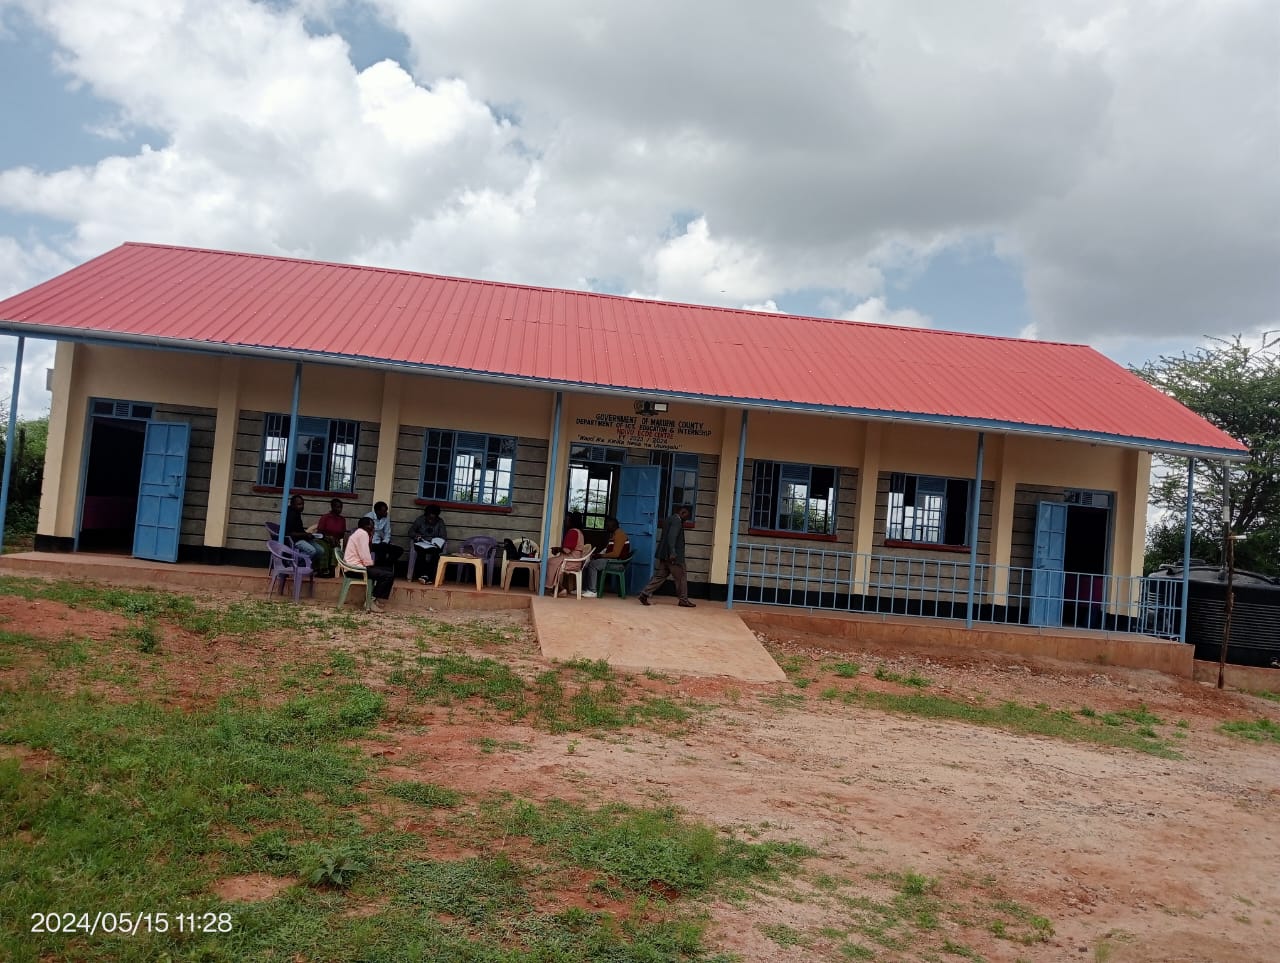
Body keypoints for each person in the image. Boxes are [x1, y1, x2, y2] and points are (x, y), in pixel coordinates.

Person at [638, 505, 695, 607]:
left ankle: (644, 593)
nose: (687, 518)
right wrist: (673, 552)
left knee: (660, 576)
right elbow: (672, 537)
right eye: (687, 515)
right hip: (674, 557)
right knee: (681, 577)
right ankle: (683, 600)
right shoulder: (677, 521)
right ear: (682, 512)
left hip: (664, 555)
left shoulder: (669, 519)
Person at [344, 516, 394, 612]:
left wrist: (370, 537)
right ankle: (371, 601)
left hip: (354, 567)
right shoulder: (363, 534)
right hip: (355, 569)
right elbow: (365, 555)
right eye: (371, 526)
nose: (373, 528)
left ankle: (374, 599)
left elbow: (367, 551)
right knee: (388, 575)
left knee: (387, 570)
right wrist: (371, 566)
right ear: (365, 526)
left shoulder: (360, 533)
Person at [580, 517, 629, 598]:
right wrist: (597, 555)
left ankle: (592, 591)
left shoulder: (620, 535)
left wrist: (600, 556)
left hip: (617, 563)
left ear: (613, 526)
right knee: (588, 563)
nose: (606, 527)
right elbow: (607, 551)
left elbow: (616, 554)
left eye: (607, 526)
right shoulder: (614, 534)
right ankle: (585, 589)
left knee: (593, 565)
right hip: (612, 561)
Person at [544, 526, 590, 597]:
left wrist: (557, 549)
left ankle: (558, 589)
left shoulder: (573, 532)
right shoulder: (579, 532)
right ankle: (556, 587)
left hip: (571, 561)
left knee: (550, 562)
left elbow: (567, 550)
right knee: (553, 561)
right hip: (576, 561)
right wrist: (558, 549)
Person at [409, 504, 448, 583]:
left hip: (433, 545)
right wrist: (416, 535)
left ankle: (427, 575)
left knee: (436, 554)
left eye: (433, 519)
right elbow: (410, 532)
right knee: (421, 553)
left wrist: (437, 541)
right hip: (421, 543)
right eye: (429, 518)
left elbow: (443, 536)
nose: (431, 521)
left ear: (437, 517)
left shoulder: (440, 522)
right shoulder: (420, 520)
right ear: (426, 515)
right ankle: (423, 575)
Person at [283, 494, 323, 566]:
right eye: (299, 504)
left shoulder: (297, 513)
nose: (302, 506)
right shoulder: (290, 515)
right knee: (312, 551)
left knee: (320, 550)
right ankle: (292, 562)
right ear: (292, 505)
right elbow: (291, 533)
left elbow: (299, 530)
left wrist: (308, 535)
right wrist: (306, 534)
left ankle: (302, 565)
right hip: (295, 540)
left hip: (302, 537)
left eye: (302, 504)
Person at [313, 498, 348, 576]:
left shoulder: (342, 519)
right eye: (337, 507)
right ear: (332, 507)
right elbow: (320, 532)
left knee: (335, 549)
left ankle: (331, 570)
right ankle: (323, 569)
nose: (339, 509)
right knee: (325, 548)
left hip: (335, 541)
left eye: (341, 507)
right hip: (323, 539)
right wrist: (328, 538)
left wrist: (336, 539)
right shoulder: (325, 517)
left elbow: (342, 534)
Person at [364, 501, 403, 569]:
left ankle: (386, 565)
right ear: (377, 511)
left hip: (381, 543)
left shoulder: (386, 517)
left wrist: (385, 542)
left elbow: (387, 532)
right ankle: (381, 568)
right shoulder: (368, 517)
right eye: (384, 511)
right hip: (370, 543)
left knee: (399, 550)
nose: (386, 512)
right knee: (382, 550)